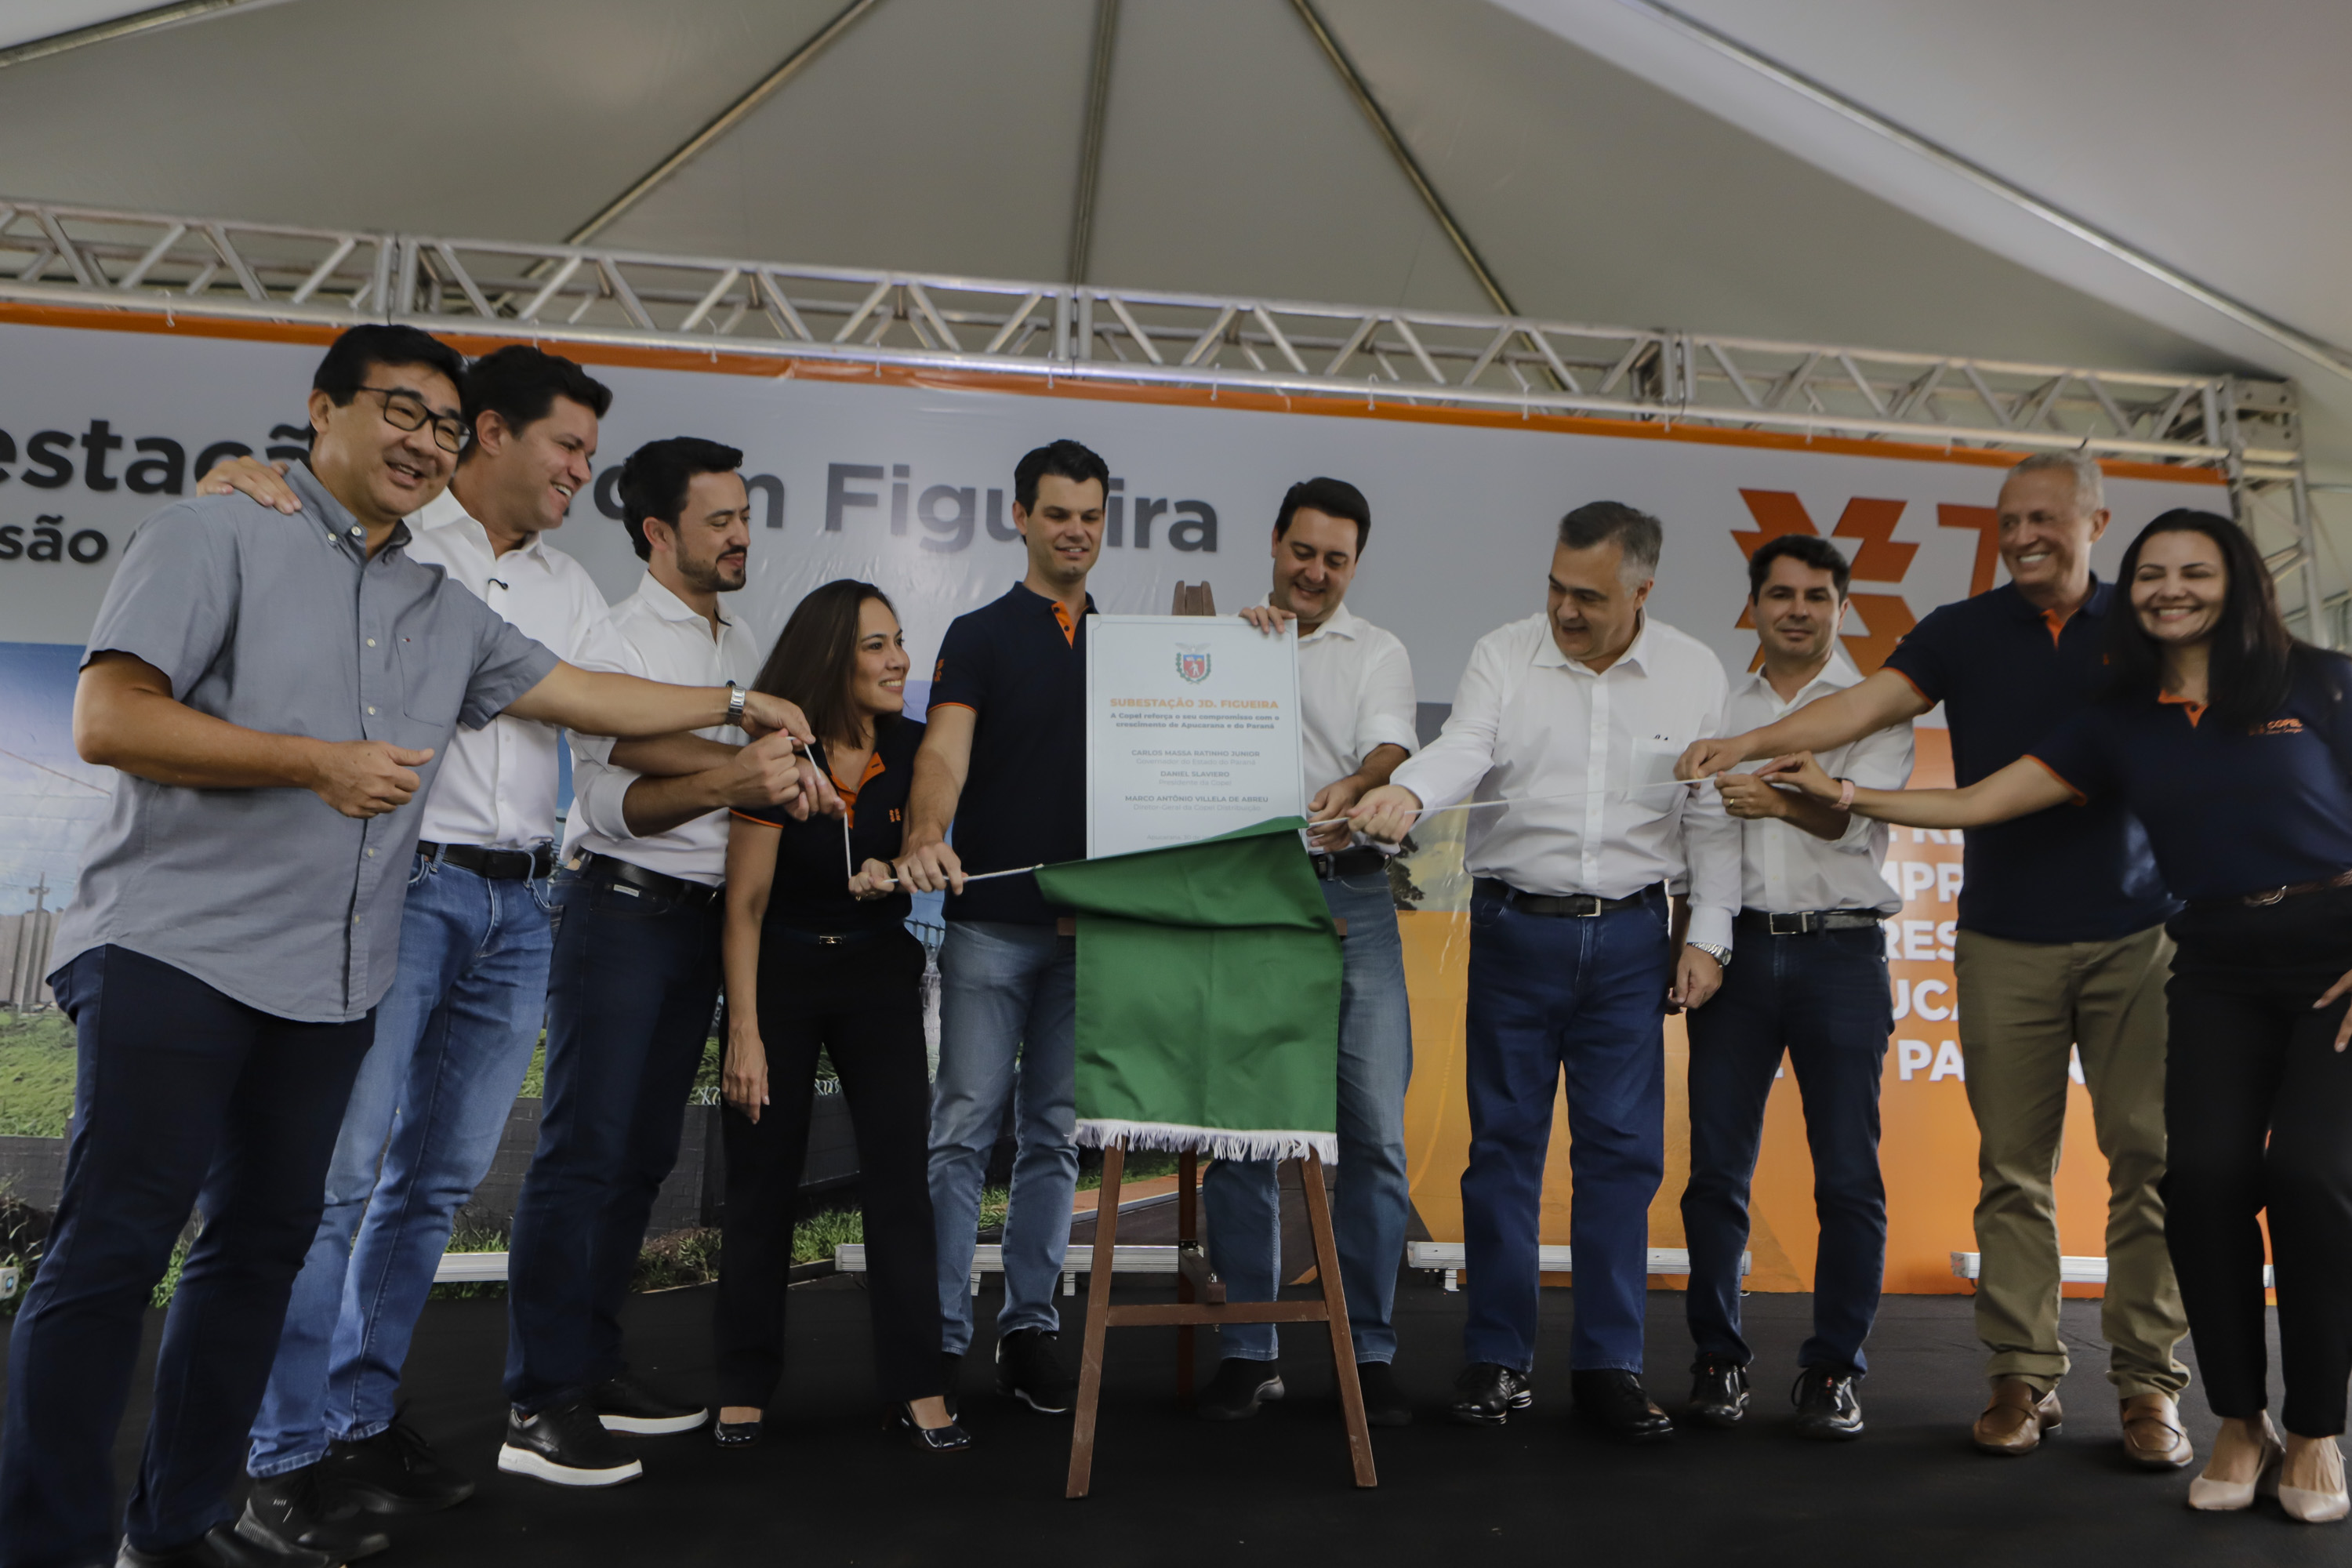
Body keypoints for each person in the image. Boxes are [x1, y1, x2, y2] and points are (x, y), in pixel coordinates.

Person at [0, 326, 818, 1568]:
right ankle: (61, 1538)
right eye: (403, 412)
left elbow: (585, 699)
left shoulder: (440, 604)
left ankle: (185, 1523)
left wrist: (741, 702)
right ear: (322, 410)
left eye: (440, 422)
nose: (425, 442)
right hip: (178, 947)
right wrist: (312, 764)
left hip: (338, 967)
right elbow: (109, 717)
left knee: (262, 1249)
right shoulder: (219, 529)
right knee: (115, 1251)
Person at [1754, 509, 2352, 1522]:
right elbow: (1980, 801)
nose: (2171, 589)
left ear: (2241, 582)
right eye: (2152, 573)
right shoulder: (2123, 715)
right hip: (2212, 960)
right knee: (2199, 1180)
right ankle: (2239, 1421)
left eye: (2196, 571)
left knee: (2310, 1175)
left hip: (2333, 956)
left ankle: (2316, 1430)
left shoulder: (2322, 680)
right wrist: (1842, 791)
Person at [1676, 452, 2193, 1465]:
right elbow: (1860, 709)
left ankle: (2148, 1385)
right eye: (2009, 521)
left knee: (2147, 1161)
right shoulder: (1960, 631)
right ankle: (2022, 1376)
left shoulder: (2147, 626)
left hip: (2139, 932)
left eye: (2045, 517)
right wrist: (1748, 744)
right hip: (2004, 933)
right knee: (2013, 1169)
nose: (2024, 535)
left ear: (2096, 520)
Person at [1352, 501, 1739, 1443]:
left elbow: (1709, 817)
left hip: (1634, 940)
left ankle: (1610, 1365)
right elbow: (1466, 745)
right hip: (1514, 931)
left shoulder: (1694, 670)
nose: (1566, 609)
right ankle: (1498, 1356)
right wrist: (1408, 789)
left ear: (1642, 591)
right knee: (1503, 1151)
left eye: (1590, 596)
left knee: (1621, 1155)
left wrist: (1709, 934)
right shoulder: (1505, 652)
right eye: (1558, 587)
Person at [500, 437, 838, 1488]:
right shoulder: (617, 638)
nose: (741, 536)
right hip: (619, 914)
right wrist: (737, 771)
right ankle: (539, 1399)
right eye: (718, 520)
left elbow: (752, 779)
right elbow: (609, 797)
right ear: (658, 532)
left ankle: (591, 1365)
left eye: (744, 516)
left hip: (702, 923)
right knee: (584, 1153)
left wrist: (765, 775)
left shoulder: (745, 637)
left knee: (643, 1157)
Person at [714, 580, 967, 1453]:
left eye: (899, 641)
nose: (900, 659)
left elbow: (926, 840)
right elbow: (744, 905)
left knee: (901, 1179)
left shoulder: (913, 747)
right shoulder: (781, 755)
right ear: (832, 657)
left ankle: (918, 1383)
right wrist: (743, 1031)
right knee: (762, 1179)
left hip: (878, 974)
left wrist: (900, 870)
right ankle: (743, 1383)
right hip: (779, 972)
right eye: (876, 645)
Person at [1680, 534, 1912, 1442]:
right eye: (1781, 593)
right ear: (1754, 605)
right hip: (1736, 953)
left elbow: (1853, 821)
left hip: (1843, 954)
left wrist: (1780, 798)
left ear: (1843, 608)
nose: (1799, 610)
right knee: (1715, 1173)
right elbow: (1707, 836)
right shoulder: (1720, 706)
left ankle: (1834, 1367)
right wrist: (1703, 942)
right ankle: (1716, 1356)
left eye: (1818, 595)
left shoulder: (1878, 705)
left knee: (1849, 1176)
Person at [895, 438, 1109, 1416]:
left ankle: (1029, 1329)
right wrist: (925, 831)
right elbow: (942, 753)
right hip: (989, 925)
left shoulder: (1127, 646)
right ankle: (940, 1335)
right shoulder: (978, 634)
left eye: (1091, 516)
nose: (1075, 531)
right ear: (1020, 517)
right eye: (1058, 513)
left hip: (1092, 933)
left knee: (1054, 1137)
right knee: (962, 1132)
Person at [1200, 477, 1420, 1426]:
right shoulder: (1228, 642)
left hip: (1355, 899)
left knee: (1375, 1136)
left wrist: (1356, 785)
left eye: (1336, 558)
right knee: (1243, 1132)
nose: (1316, 571)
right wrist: (1238, 655)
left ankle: (1367, 1350)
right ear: (1274, 542)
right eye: (1303, 551)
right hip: (1248, 897)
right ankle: (1249, 1348)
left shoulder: (1379, 650)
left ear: (1355, 564)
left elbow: (1389, 752)